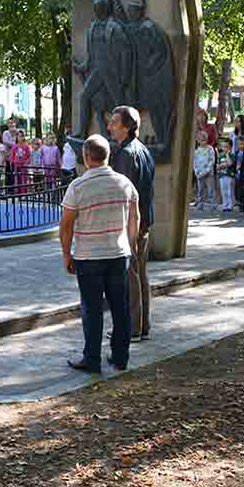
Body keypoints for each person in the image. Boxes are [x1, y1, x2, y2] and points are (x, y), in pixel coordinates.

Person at [60, 135, 138, 374]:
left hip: (88, 257)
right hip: (118, 254)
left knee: (92, 309)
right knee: (120, 307)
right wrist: (130, 247)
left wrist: (66, 255)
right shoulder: (124, 183)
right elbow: (135, 219)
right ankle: (121, 357)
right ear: (108, 156)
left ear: (85, 157)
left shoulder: (78, 186)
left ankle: (92, 359)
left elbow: (66, 225)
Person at [106, 106, 154, 342]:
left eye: (114, 123)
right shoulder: (141, 149)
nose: (109, 127)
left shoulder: (126, 154)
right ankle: (142, 326)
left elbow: (126, 196)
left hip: (132, 224)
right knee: (140, 274)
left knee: (130, 276)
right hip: (143, 221)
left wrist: (127, 229)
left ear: (126, 126)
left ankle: (131, 329)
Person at [192, 130, 215, 210]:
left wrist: (206, 170)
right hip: (199, 173)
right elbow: (194, 163)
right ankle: (200, 203)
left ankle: (211, 203)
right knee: (200, 189)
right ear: (197, 141)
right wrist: (197, 172)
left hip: (208, 173)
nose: (204, 142)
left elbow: (211, 161)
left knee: (210, 188)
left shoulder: (210, 149)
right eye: (202, 140)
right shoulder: (196, 151)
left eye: (205, 140)